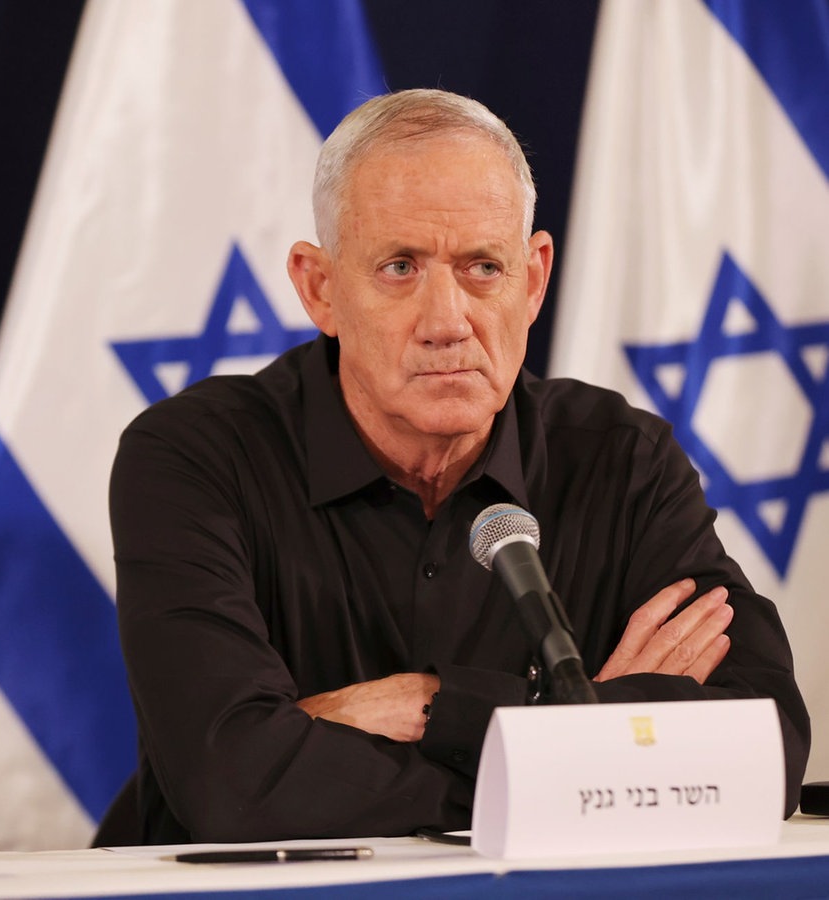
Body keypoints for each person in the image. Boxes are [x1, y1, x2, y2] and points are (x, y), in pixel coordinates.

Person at [109, 89, 809, 843]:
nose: (447, 321)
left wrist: (436, 706)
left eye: (482, 267)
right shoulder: (194, 458)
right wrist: (581, 754)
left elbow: (764, 749)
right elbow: (233, 786)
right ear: (321, 289)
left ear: (533, 279)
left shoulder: (620, 458)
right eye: (400, 267)